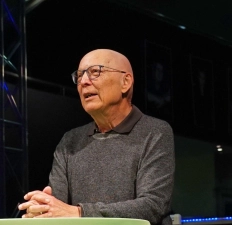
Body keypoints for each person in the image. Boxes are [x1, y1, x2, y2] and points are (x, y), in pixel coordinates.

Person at [18, 49, 175, 225]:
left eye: (95, 72)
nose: (83, 82)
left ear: (125, 82)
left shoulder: (155, 132)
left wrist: (80, 213)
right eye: (79, 76)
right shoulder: (70, 140)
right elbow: (59, 210)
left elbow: (152, 206)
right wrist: (43, 209)